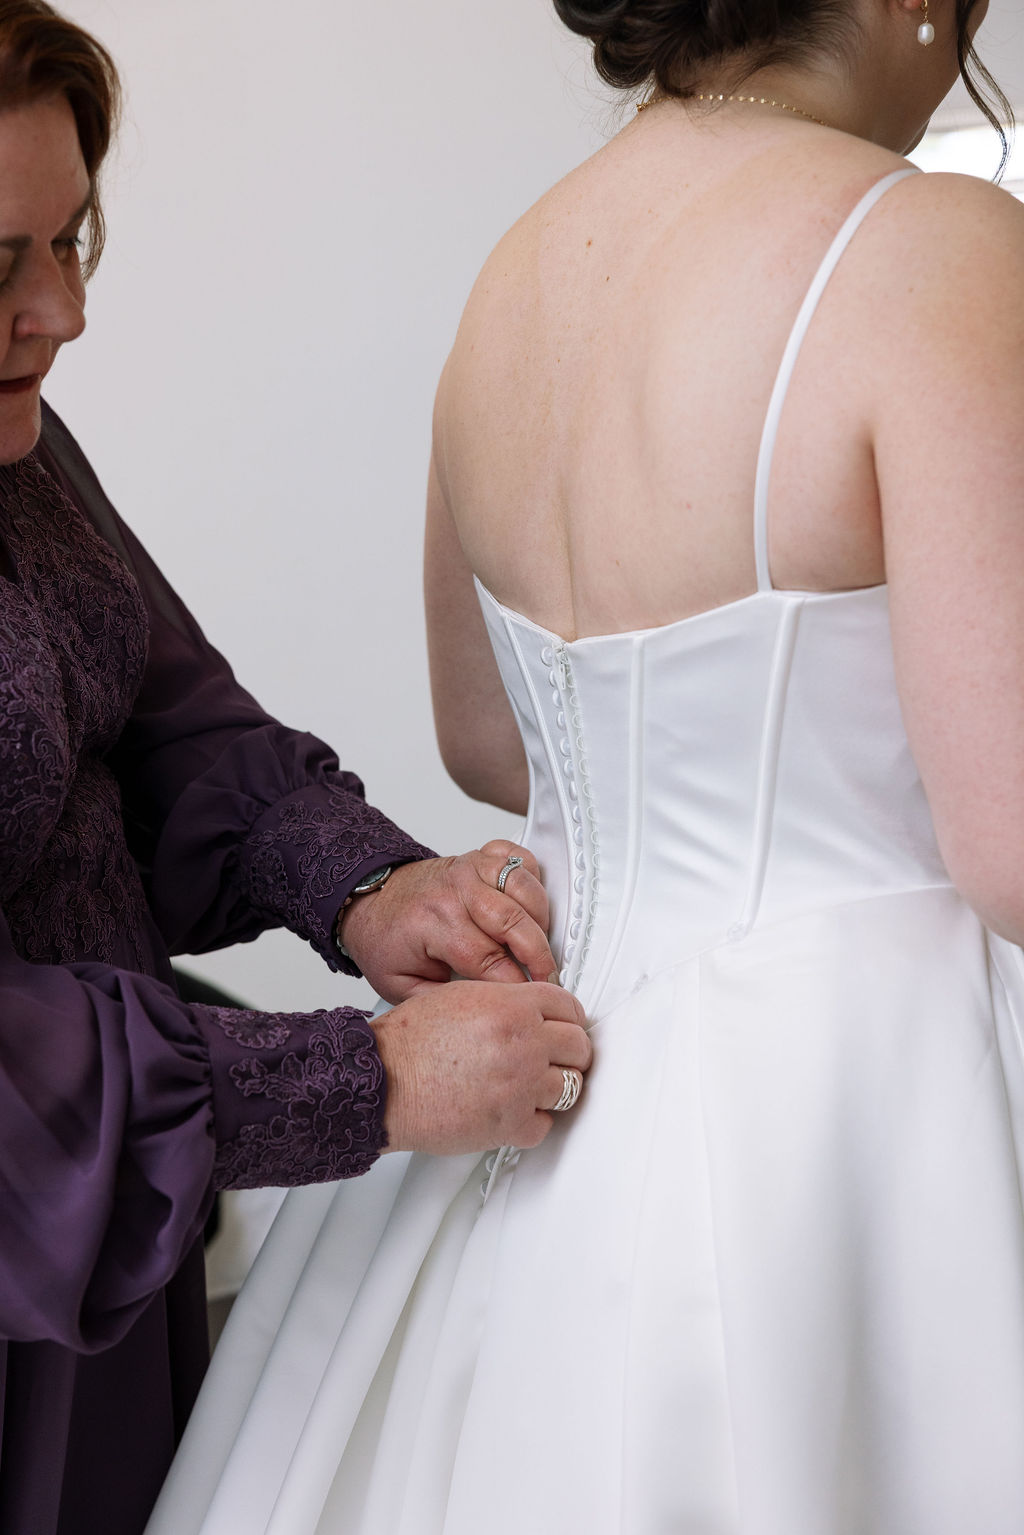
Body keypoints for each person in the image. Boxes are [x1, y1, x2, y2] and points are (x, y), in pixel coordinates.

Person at [147, 1, 1024, 1531]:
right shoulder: (935, 248)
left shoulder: (521, 269)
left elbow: (484, 739)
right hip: (857, 1119)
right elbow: (1009, 835)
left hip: (547, 1067)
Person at [0, 4, 593, 1533]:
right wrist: (367, 1079)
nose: (60, 314)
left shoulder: (28, 456)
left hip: (109, 1289)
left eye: (73, 242)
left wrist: (375, 886)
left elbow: (174, 729)